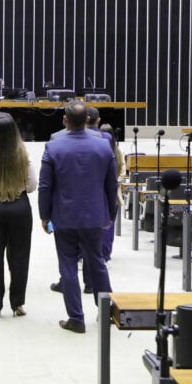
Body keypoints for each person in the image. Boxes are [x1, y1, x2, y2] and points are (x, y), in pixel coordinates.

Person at [39, 100, 118, 334]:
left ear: (64, 120)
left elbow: (45, 187)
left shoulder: (53, 147)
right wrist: (109, 214)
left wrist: (45, 216)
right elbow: (111, 186)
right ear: (87, 121)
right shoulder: (104, 146)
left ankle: (76, 318)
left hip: (63, 217)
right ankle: (105, 312)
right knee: (97, 263)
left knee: (68, 266)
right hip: (95, 216)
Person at [0, 112, 37, 318]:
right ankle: (18, 304)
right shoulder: (24, 154)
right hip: (19, 206)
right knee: (20, 255)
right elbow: (31, 186)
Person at [99, 123, 125, 262]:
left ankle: (106, 254)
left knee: (108, 225)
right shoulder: (97, 150)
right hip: (99, 193)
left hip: (113, 193)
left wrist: (115, 181)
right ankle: (103, 254)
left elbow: (122, 171)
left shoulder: (117, 151)